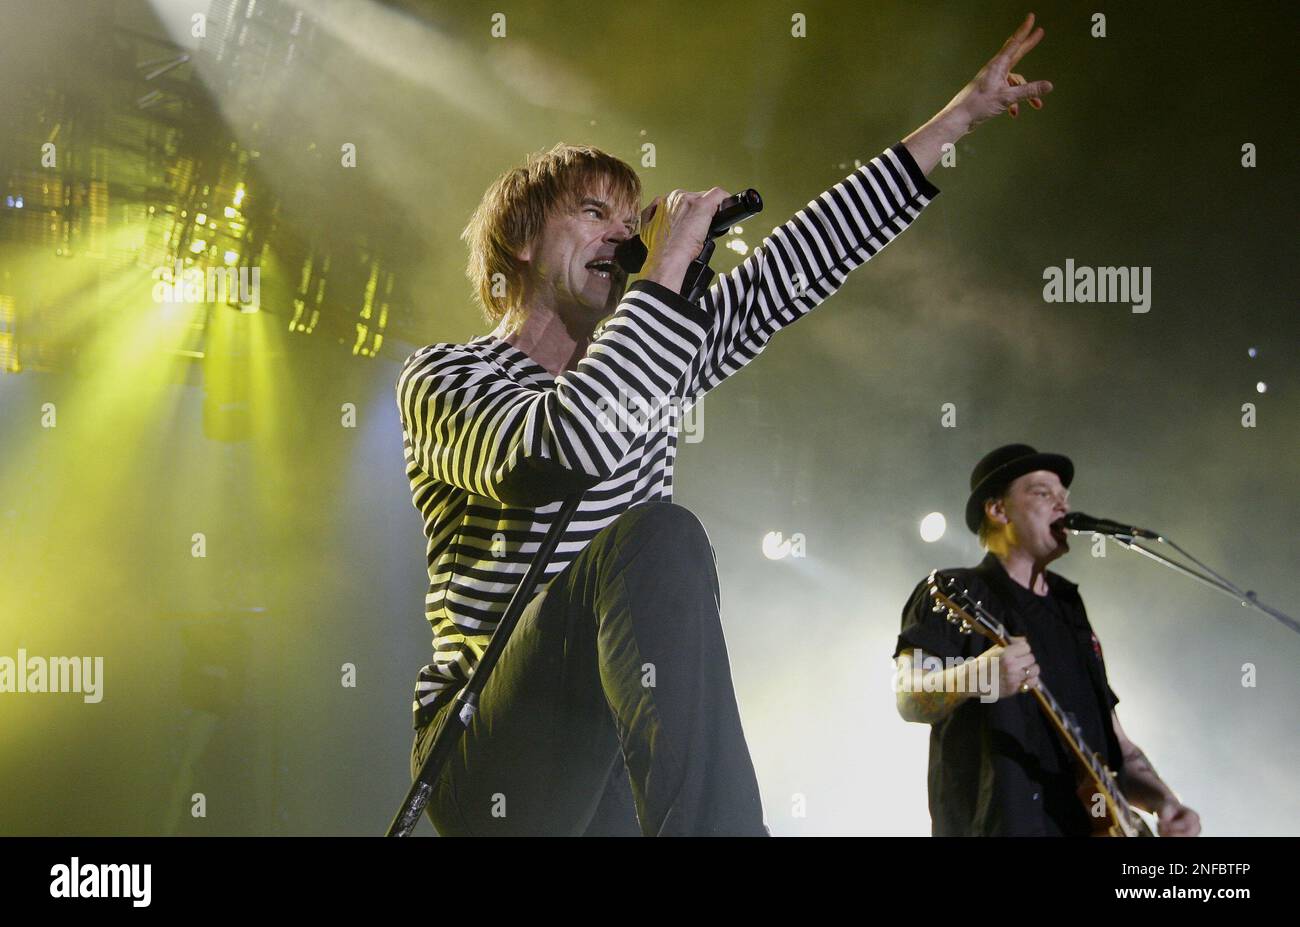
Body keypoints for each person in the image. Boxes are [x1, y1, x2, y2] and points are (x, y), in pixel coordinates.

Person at [398, 15, 1056, 836]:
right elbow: (563, 447)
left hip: (610, 758)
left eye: (632, 219)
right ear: (524, 241)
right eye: (596, 212)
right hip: (495, 755)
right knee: (657, 535)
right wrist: (668, 267)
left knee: (660, 542)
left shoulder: (655, 349)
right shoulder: (445, 377)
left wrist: (956, 120)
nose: (622, 233)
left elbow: (800, 261)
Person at [893, 444, 1202, 836]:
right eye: (1043, 493)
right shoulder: (955, 590)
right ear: (998, 510)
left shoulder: (1070, 609)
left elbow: (1117, 748)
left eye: (1064, 497)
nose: (1062, 505)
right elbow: (908, 697)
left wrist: (1165, 802)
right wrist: (979, 678)